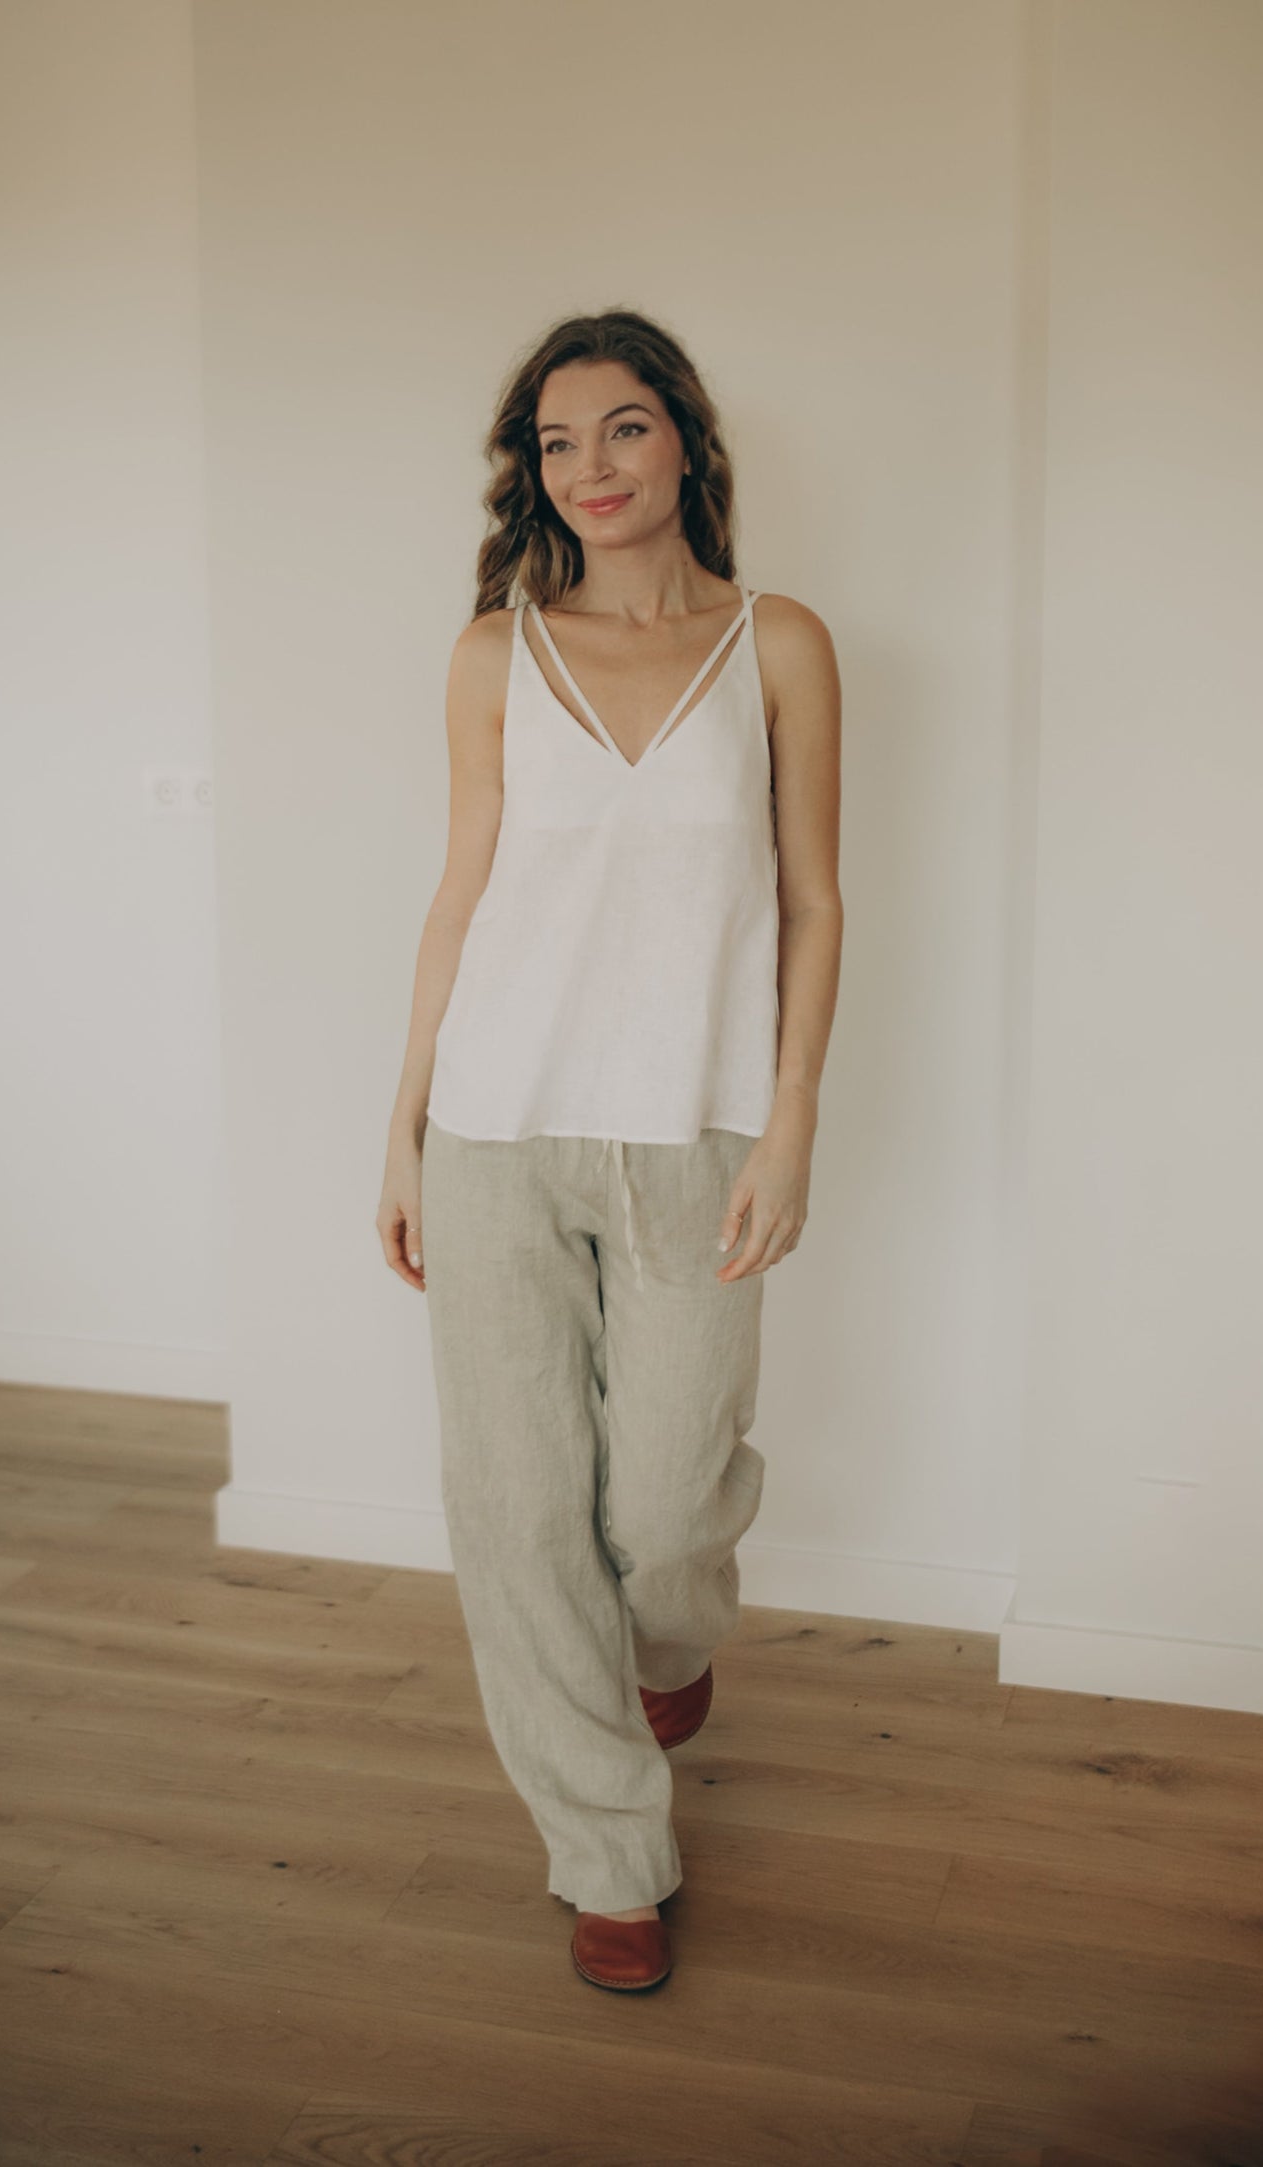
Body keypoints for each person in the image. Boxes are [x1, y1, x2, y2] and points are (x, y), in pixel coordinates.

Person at [376, 308, 842, 1992]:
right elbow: (460, 894)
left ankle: (668, 1643)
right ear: (533, 474)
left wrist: (789, 1120)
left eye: (622, 429)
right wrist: (405, 1125)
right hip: (497, 1122)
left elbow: (808, 897)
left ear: (686, 445)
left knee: (659, 1497)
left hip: (695, 1126)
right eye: (558, 444)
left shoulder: (775, 641)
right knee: (513, 1512)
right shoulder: (494, 651)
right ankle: (607, 1855)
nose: (590, 468)